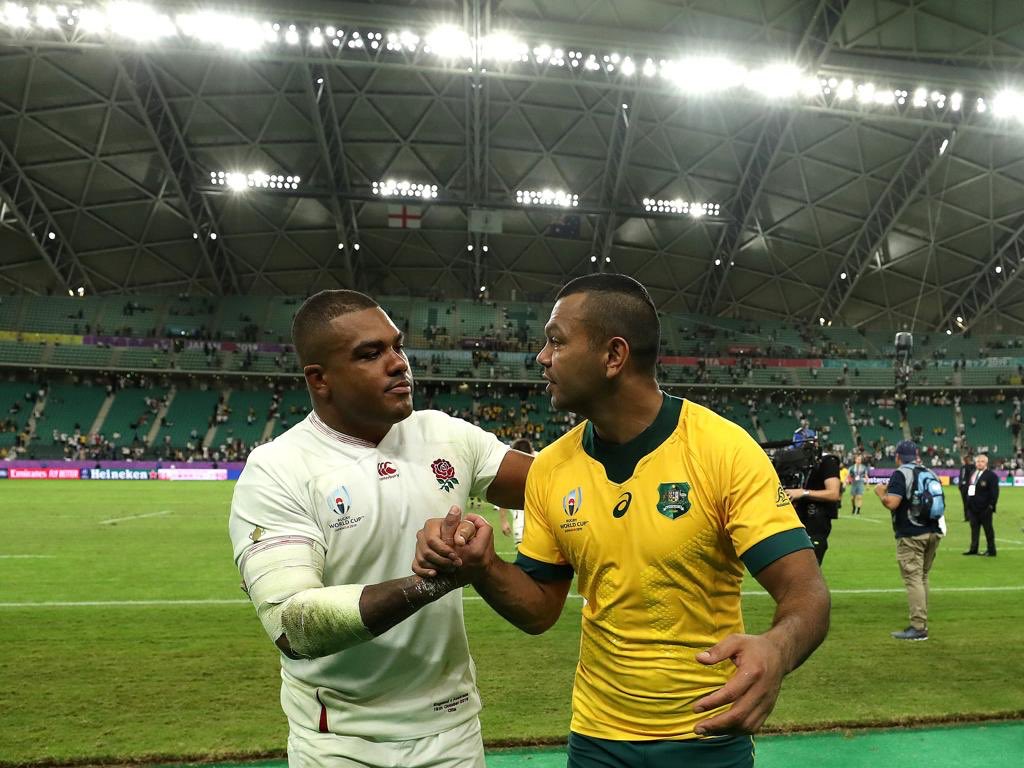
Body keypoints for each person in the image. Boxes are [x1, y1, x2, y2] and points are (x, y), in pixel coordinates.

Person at [415, 274, 830, 768]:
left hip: (706, 733)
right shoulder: (551, 467)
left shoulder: (723, 450)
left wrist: (778, 649)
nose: (542, 358)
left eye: (556, 341)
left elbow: (807, 592)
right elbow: (539, 607)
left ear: (614, 356)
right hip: (596, 738)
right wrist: (481, 567)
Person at [227, 290, 532, 767]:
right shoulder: (277, 468)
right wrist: (436, 580)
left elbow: (554, 486)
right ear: (319, 379)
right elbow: (293, 625)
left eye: (398, 346)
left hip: (451, 731)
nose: (398, 364)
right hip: (340, 741)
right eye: (370, 354)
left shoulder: (446, 434)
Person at [874, 440, 945, 641]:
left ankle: (918, 627)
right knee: (922, 577)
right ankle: (921, 621)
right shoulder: (929, 472)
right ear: (916, 455)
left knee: (913, 579)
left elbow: (892, 503)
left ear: (897, 457)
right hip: (933, 531)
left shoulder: (901, 474)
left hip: (912, 534)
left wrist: (881, 493)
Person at [784, 427, 841, 564]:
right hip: (795, 520)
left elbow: (833, 493)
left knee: (806, 569)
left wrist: (803, 493)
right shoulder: (796, 464)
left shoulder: (827, 461)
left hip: (816, 520)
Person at [498, 437, 536, 546]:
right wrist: (504, 521)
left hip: (537, 512)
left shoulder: (539, 462)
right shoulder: (511, 470)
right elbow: (504, 492)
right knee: (522, 546)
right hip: (520, 512)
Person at [963, 453, 999, 557]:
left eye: (982, 461)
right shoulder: (973, 473)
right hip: (973, 507)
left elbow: (995, 492)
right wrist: (968, 502)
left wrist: (991, 506)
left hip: (985, 508)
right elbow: (970, 488)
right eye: (978, 461)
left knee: (988, 529)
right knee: (974, 529)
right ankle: (973, 549)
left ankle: (991, 550)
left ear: (986, 463)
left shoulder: (991, 476)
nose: (979, 463)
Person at [957, 453, 973, 523]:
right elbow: (960, 477)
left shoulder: (970, 467)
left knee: (970, 502)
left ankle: (972, 517)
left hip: (969, 486)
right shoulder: (962, 467)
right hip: (963, 487)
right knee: (965, 503)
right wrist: (960, 485)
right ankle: (966, 517)